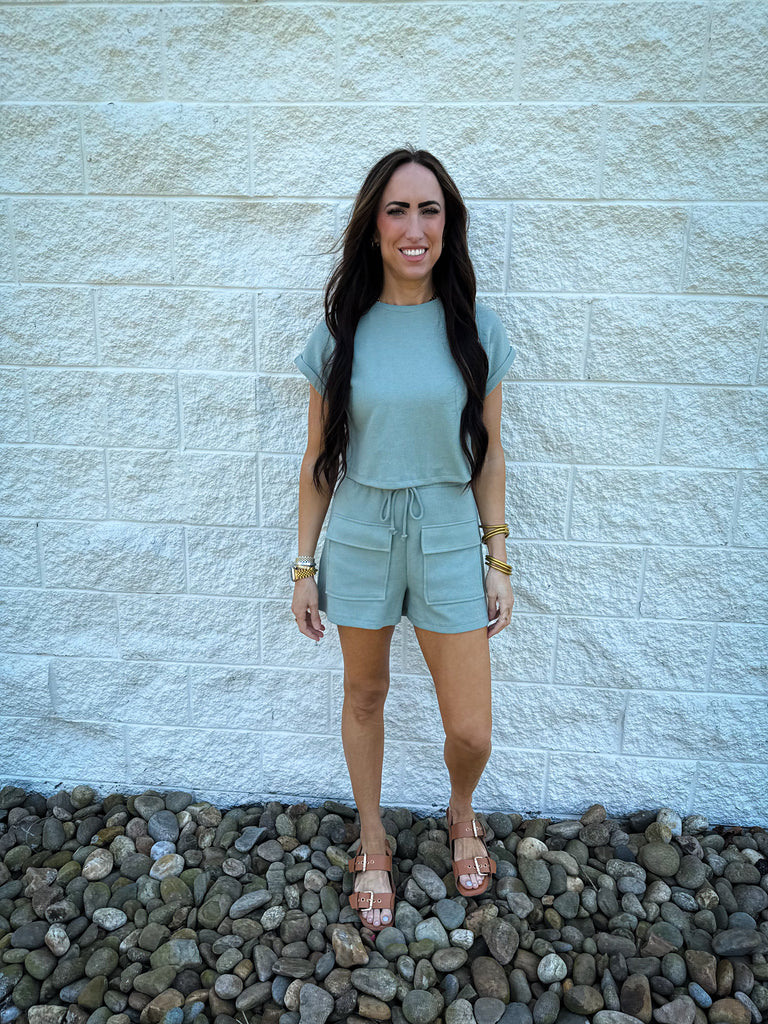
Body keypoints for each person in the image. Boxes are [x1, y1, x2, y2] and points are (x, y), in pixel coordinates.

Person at [291, 146, 516, 931]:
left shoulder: (475, 329)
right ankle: (374, 839)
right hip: (361, 532)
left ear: (448, 225)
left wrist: (498, 557)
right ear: (374, 225)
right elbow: (318, 463)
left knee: (471, 728)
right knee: (365, 693)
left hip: (449, 530)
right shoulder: (341, 334)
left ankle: (461, 808)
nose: (414, 228)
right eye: (397, 210)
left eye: (429, 210)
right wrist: (303, 566)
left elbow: (490, 455)